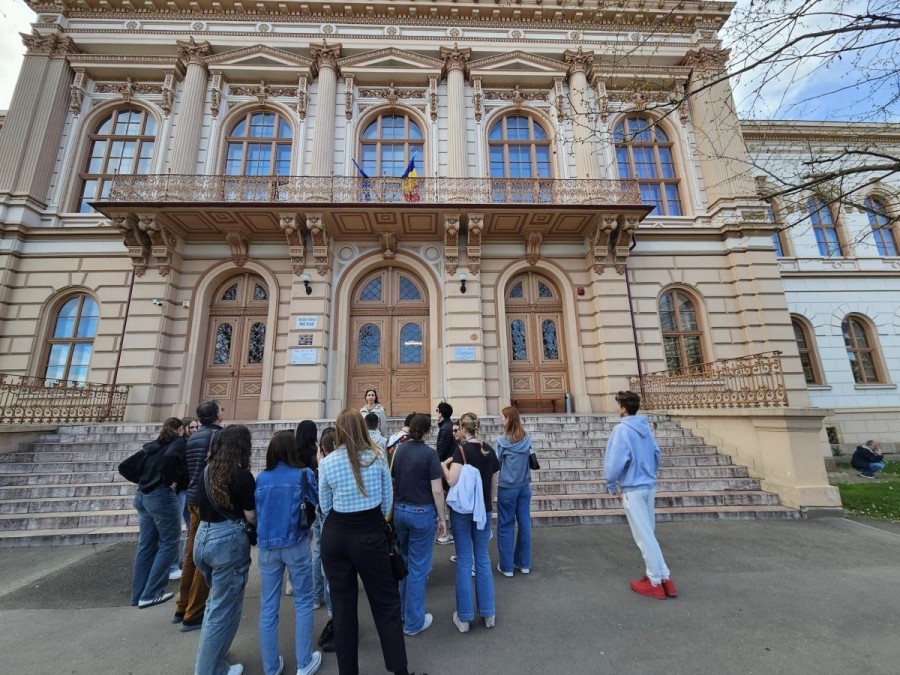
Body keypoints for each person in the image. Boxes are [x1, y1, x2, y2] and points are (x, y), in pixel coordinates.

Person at [318, 409, 424, 675]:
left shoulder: (327, 462)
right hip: (369, 533)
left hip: (336, 535)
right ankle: (399, 670)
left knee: (342, 609)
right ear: (363, 429)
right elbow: (388, 502)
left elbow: (324, 506)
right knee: (385, 604)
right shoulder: (377, 456)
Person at [255, 430, 322, 675]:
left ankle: (271, 667)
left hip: (268, 547)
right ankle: (303, 662)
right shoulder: (302, 475)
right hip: (296, 543)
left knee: (268, 607)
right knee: (303, 601)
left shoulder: (261, 478)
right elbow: (316, 503)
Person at [193, 424, 256, 675]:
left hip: (203, 539)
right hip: (226, 543)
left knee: (216, 604)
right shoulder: (241, 476)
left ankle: (216, 654)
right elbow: (251, 517)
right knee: (222, 609)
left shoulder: (207, 471)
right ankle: (209, 669)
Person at [604, 390, 677, 601]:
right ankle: (664, 578)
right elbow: (656, 453)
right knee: (649, 533)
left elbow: (614, 461)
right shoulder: (645, 427)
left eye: (619, 405)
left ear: (624, 408)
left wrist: (610, 483)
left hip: (633, 488)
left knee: (643, 537)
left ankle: (655, 581)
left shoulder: (622, 430)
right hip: (648, 485)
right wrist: (649, 473)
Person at [390, 413, 449, 636]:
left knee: (403, 563)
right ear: (427, 431)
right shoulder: (430, 454)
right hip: (421, 513)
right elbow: (437, 490)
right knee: (418, 568)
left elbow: (393, 478)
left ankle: (402, 613)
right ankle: (414, 622)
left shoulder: (399, 450)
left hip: (401, 511)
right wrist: (443, 519)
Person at [441, 412, 499, 633]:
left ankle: (464, 617)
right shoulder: (489, 450)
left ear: (464, 430)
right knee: (482, 559)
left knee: (465, 561)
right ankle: (489, 613)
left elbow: (451, 479)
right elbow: (495, 481)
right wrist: (489, 505)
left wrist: (443, 465)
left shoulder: (461, 451)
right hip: (482, 510)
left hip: (463, 512)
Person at [175, 399, 224, 631]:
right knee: (204, 556)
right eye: (220, 409)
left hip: (192, 498)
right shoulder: (219, 436)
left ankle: (181, 605)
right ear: (216, 415)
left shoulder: (192, 438)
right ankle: (194, 612)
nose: (222, 412)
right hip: (208, 500)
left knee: (190, 555)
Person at [131, 417, 185, 608]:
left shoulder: (153, 445)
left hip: (142, 496)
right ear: (180, 429)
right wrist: (168, 481)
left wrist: (144, 481)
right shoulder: (177, 443)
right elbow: (171, 458)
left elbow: (126, 466)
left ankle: (138, 595)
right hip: (159, 496)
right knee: (169, 542)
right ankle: (151, 593)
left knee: (145, 544)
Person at [494, 406, 533, 577]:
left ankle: (507, 566)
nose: (501, 420)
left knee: (505, 525)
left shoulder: (502, 441)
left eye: (503, 417)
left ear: (509, 419)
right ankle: (524, 563)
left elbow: (497, 463)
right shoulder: (527, 439)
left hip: (508, 487)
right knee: (524, 524)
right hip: (524, 486)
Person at [314, 428, 336, 654]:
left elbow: (324, 505)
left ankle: (335, 618)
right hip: (350, 529)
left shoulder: (326, 467)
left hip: (331, 527)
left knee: (329, 572)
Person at [170, 416, 198, 580]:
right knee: (174, 530)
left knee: (192, 528)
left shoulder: (191, 444)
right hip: (180, 491)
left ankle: (184, 561)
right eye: (192, 427)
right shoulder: (178, 445)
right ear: (184, 428)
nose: (195, 430)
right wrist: (171, 481)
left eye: (196, 427)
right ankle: (172, 566)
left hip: (190, 490)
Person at [434, 401, 455, 546]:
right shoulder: (447, 426)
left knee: (447, 500)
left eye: (437, 410)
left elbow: (440, 451)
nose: (436, 413)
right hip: (448, 466)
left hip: (447, 468)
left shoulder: (446, 428)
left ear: (441, 413)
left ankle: (449, 533)